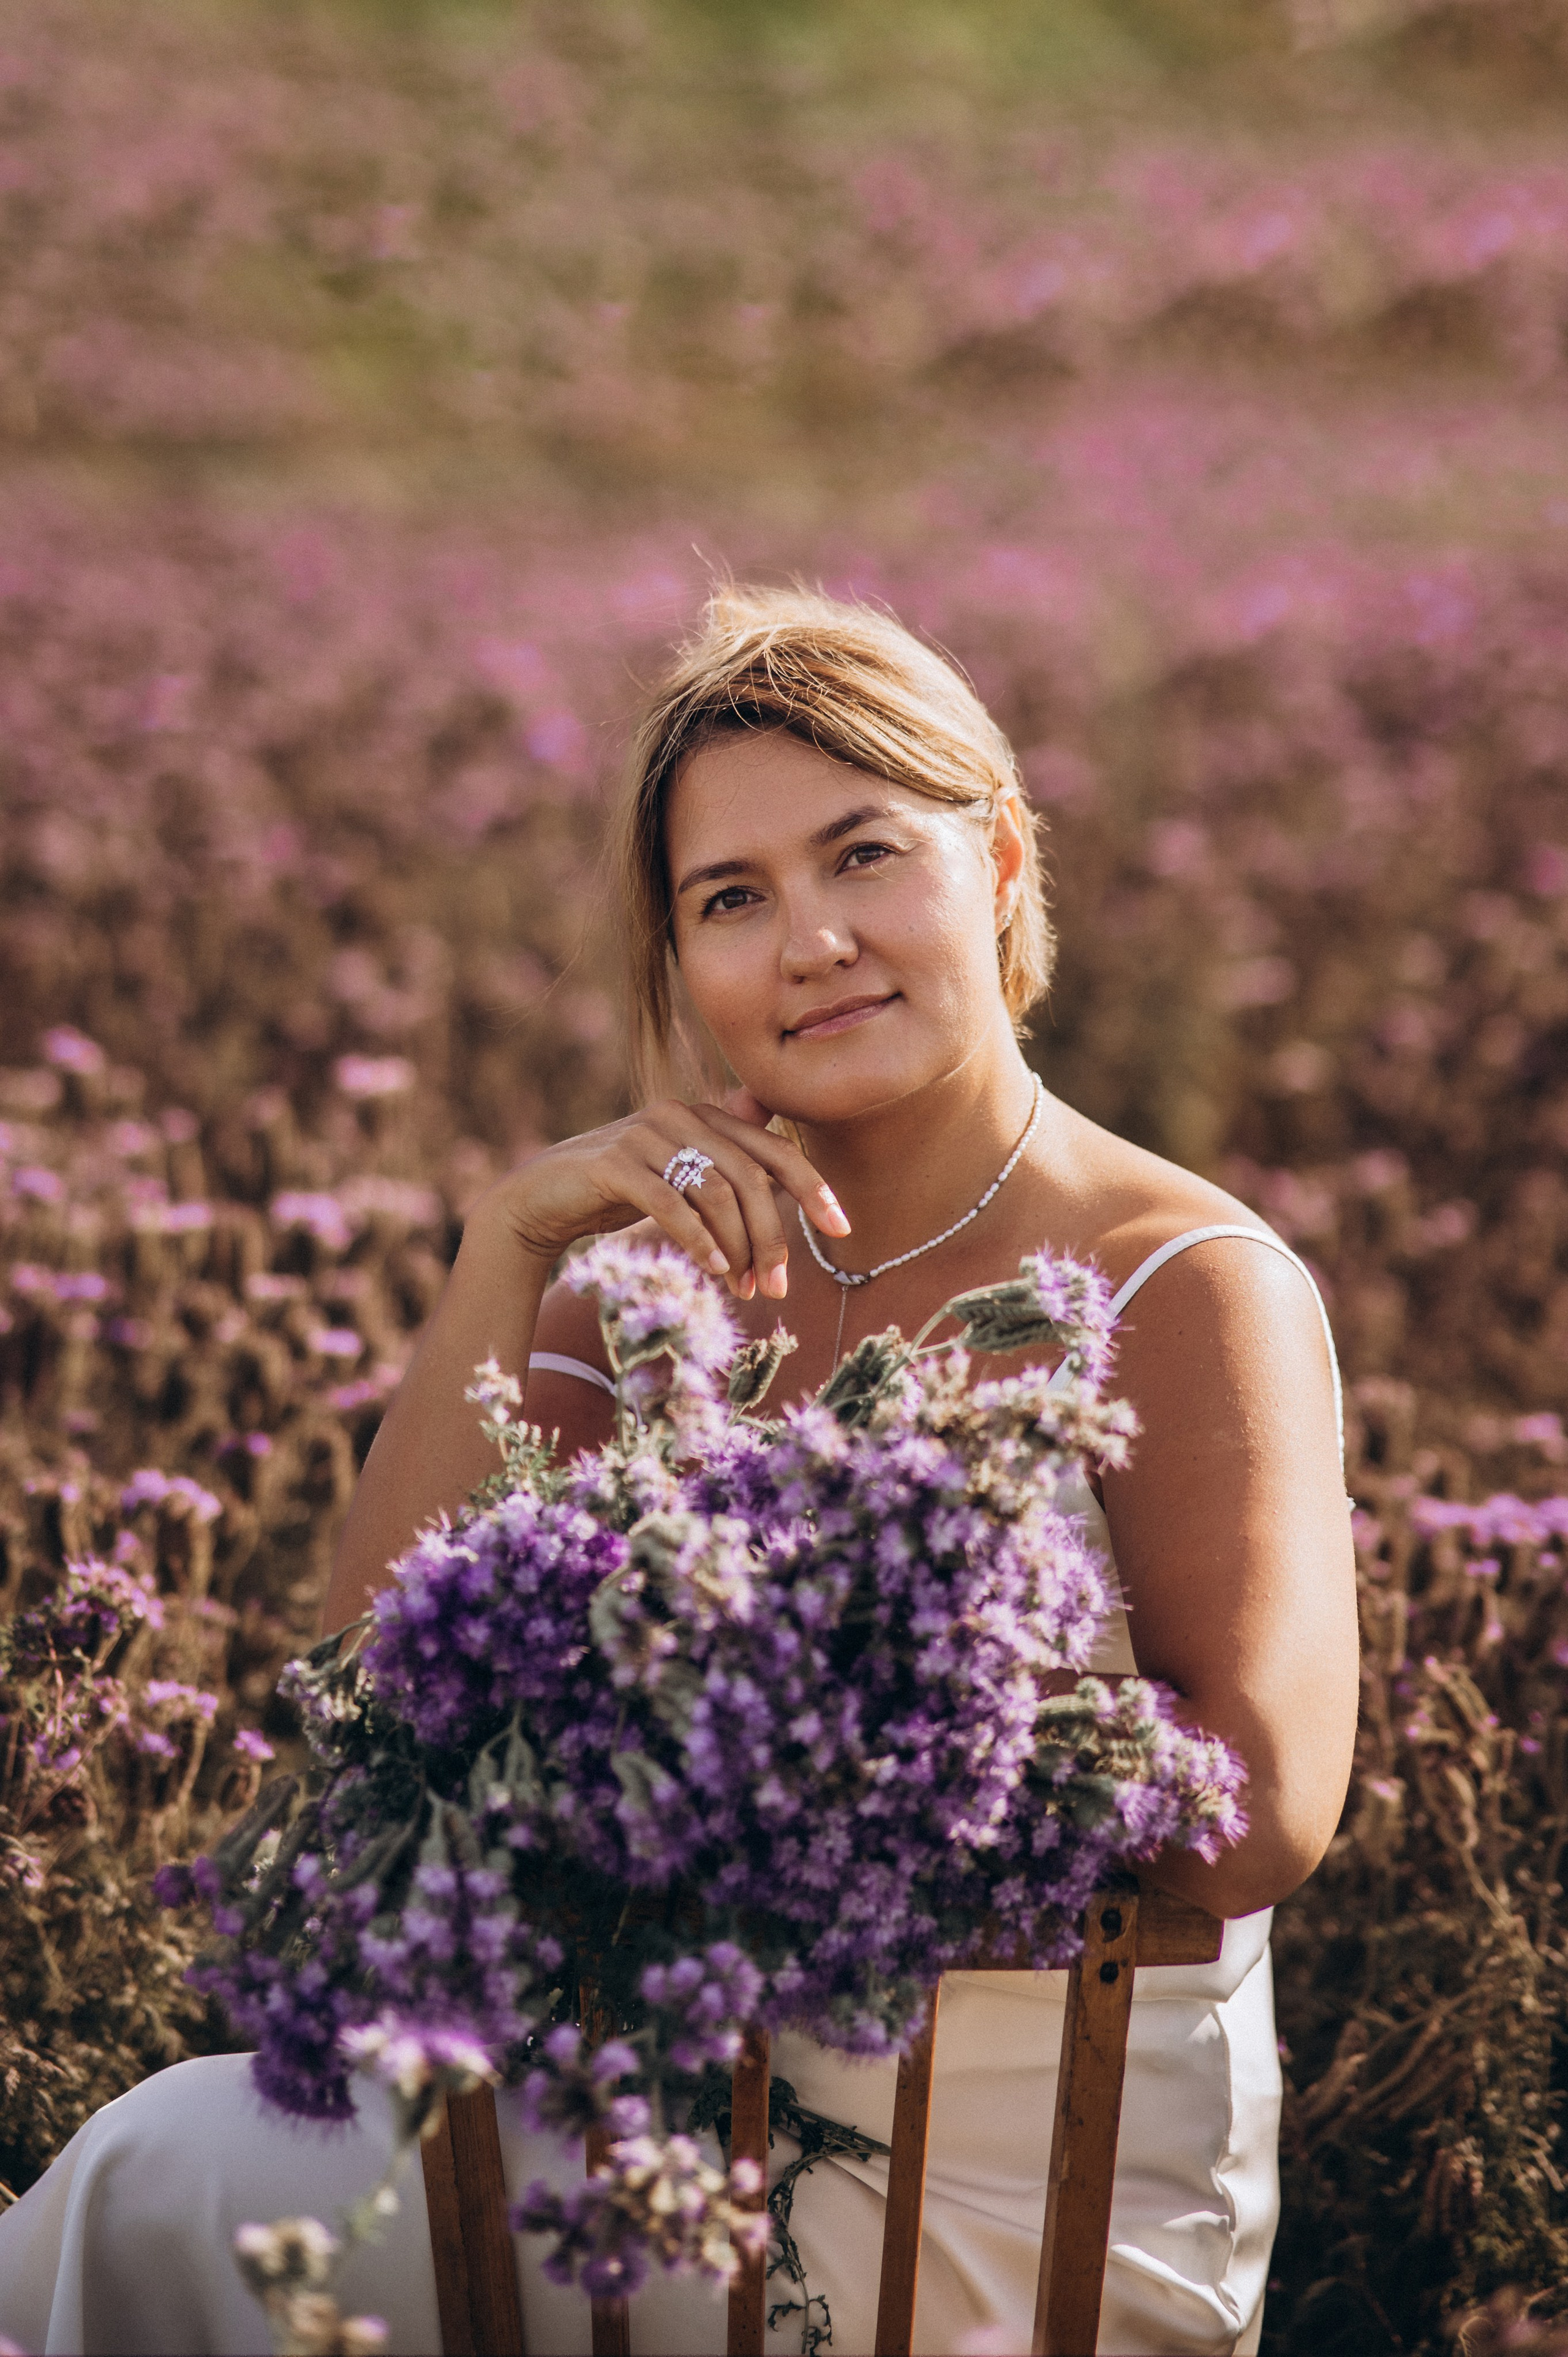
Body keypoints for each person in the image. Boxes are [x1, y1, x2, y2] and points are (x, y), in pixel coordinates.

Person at [0, 587, 1357, 2357]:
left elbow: (1260, 1803)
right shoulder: (654, 1286)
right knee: (171, 2163)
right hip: (652, 2121)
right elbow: (371, 1700)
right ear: (680, 962)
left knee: (160, 2179)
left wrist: (779, 1777)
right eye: (733, 900)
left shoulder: (1185, 1276)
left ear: (1001, 864)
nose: (811, 943)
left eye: (866, 856)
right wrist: (508, 1249)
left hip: (1028, 2188)